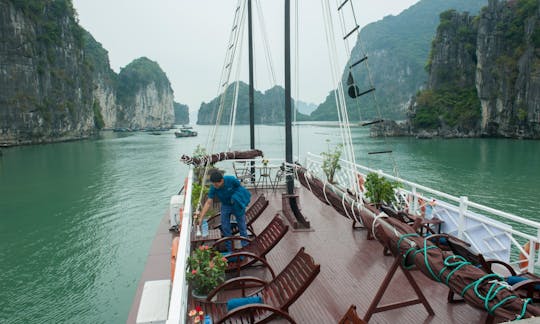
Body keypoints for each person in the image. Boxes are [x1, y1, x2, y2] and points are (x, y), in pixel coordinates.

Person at [196, 170, 251, 251]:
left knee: (242, 226)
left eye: (216, 184)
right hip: (225, 205)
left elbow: (240, 188)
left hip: (236, 204)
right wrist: (201, 217)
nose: (215, 186)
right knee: (225, 227)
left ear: (222, 180)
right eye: (213, 184)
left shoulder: (231, 179)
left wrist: (236, 197)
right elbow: (208, 202)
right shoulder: (213, 188)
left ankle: (246, 247)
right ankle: (230, 249)